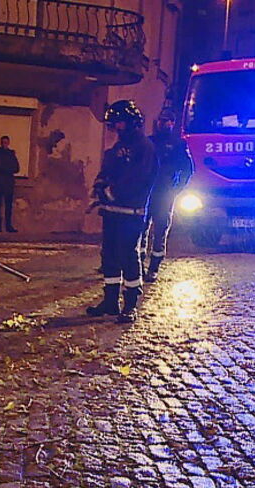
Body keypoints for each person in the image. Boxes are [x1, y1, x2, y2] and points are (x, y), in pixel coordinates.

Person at [86, 100, 158, 324]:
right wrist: (100, 185)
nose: (115, 128)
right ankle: (110, 301)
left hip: (131, 212)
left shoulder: (144, 147)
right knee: (109, 256)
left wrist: (112, 191)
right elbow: (108, 169)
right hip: (111, 212)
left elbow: (138, 178)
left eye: (118, 123)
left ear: (130, 122)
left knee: (129, 256)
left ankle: (130, 305)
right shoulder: (118, 147)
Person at [141, 109, 193, 282]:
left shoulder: (178, 145)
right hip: (146, 192)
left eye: (169, 121)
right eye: (163, 120)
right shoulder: (149, 142)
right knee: (141, 229)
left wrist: (177, 189)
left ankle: (154, 267)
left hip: (165, 194)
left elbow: (187, 169)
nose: (166, 124)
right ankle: (139, 265)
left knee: (161, 230)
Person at [0, 135, 20, 232]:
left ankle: (8, 225)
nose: (5, 144)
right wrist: (7, 169)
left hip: (8, 184)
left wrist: (5, 169)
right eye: (3, 142)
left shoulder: (11, 154)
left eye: (6, 142)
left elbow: (16, 168)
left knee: (8, 206)